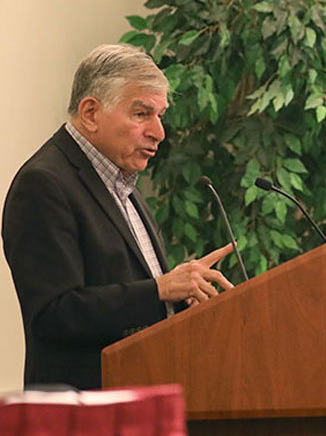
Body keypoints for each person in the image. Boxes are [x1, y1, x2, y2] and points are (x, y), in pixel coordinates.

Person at [2, 44, 235, 390]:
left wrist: (182, 296)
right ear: (91, 113)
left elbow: (138, 301)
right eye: (142, 114)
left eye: (160, 115)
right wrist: (159, 289)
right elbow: (53, 314)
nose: (159, 132)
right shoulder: (44, 183)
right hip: (80, 417)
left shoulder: (124, 187)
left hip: (140, 402)